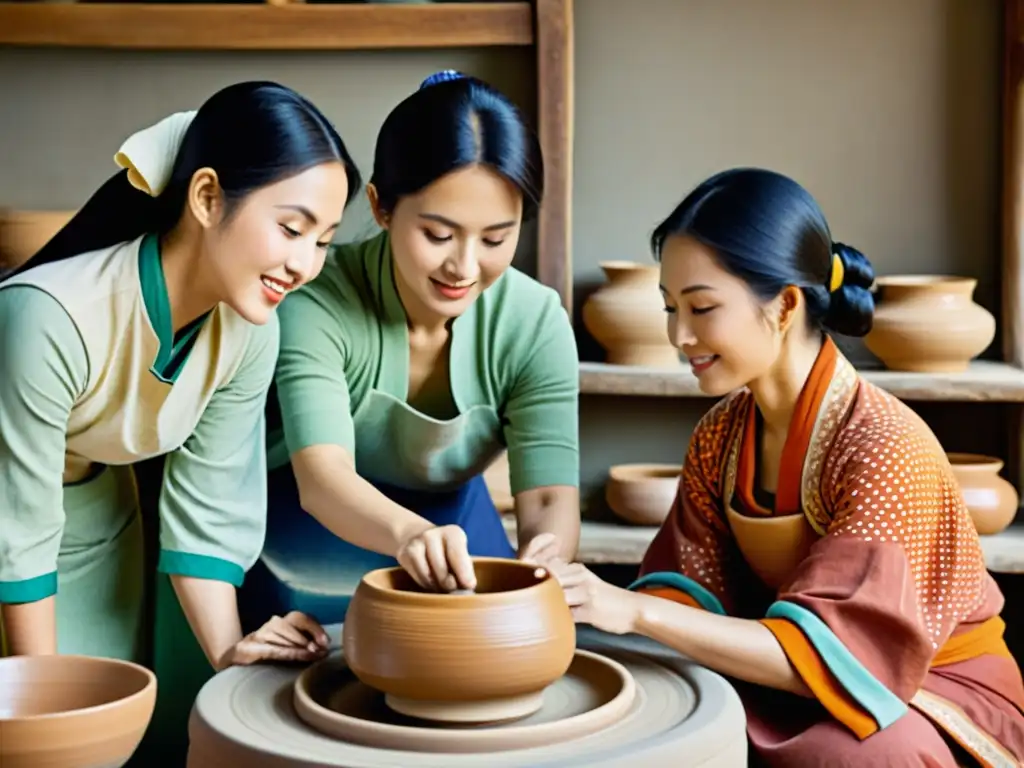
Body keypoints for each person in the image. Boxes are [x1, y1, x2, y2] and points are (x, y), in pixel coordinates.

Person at [545, 168, 1024, 767]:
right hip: (789, 670)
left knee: (839, 758)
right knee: (659, 715)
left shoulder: (883, 446)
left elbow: (844, 652)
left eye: (701, 307)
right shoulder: (720, 435)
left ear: (785, 305)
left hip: (922, 685)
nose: (679, 335)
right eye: (670, 307)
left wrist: (634, 609)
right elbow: (689, 591)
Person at [0, 80, 361, 752]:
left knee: (136, 734)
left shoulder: (252, 332)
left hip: (99, 516)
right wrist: (38, 711)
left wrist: (229, 650)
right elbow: (17, 529)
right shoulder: (43, 318)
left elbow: (209, 500)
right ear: (205, 198)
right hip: (11, 527)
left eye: (323, 241)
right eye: (291, 228)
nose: (304, 265)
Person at [241, 70, 580, 627]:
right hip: (303, 529)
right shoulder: (319, 302)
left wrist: (545, 561)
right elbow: (324, 480)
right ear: (381, 207)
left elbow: (546, 499)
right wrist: (411, 536)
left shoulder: (534, 320)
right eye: (439, 235)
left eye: (496, 239)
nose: (464, 267)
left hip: (457, 522)